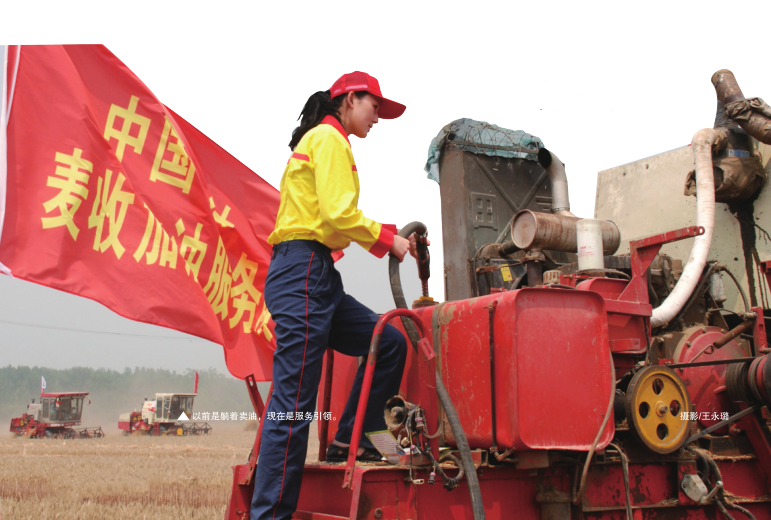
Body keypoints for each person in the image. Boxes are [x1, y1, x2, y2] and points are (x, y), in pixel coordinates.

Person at [251, 72, 420, 520]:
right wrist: (388, 240)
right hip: (303, 272)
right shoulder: (329, 138)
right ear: (348, 100)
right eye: (374, 107)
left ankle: (351, 437)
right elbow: (339, 213)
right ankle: (268, 515)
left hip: (317, 274)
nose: (377, 118)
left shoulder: (327, 139)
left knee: (389, 341)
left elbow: (333, 216)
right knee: (293, 410)